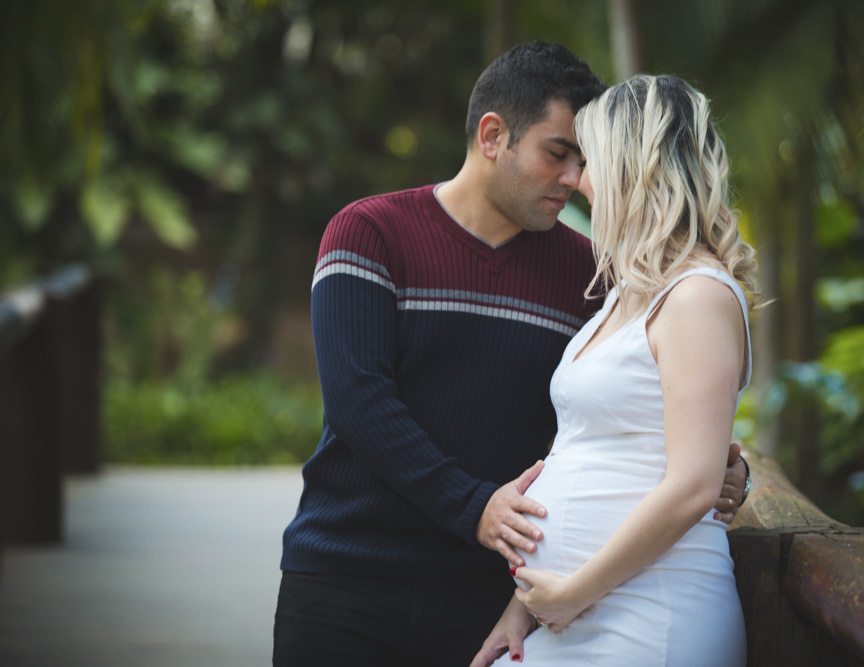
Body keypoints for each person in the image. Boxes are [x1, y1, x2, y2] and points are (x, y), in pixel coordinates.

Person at [273, 43, 749, 667]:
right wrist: (475, 507)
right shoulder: (370, 232)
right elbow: (359, 399)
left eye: (584, 159)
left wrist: (724, 469)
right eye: (558, 153)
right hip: (351, 576)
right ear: (494, 136)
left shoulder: (596, 275)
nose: (574, 179)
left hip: (493, 589)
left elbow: (616, 414)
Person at [472, 73, 757, 666]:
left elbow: (694, 483)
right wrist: (527, 603)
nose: (574, 179)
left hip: (651, 615)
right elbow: (603, 450)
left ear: (635, 166)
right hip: (575, 609)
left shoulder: (698, 295)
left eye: (588, 159)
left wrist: (573, 591)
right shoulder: (628, 291)